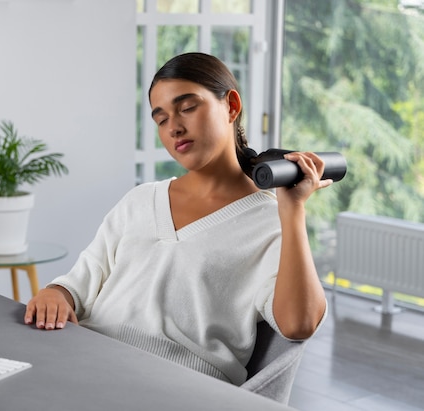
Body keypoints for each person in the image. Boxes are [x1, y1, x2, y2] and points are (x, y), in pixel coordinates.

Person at [24, 52, 329, 386]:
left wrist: (293, 210)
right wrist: (56, 292)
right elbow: (82, 279)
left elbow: (299, 324)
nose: (175, 128)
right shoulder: (141, 199)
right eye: (161, 119)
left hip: (178, 387)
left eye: (187, 108)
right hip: (88, 362)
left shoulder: (271, 221)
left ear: (231, 105)